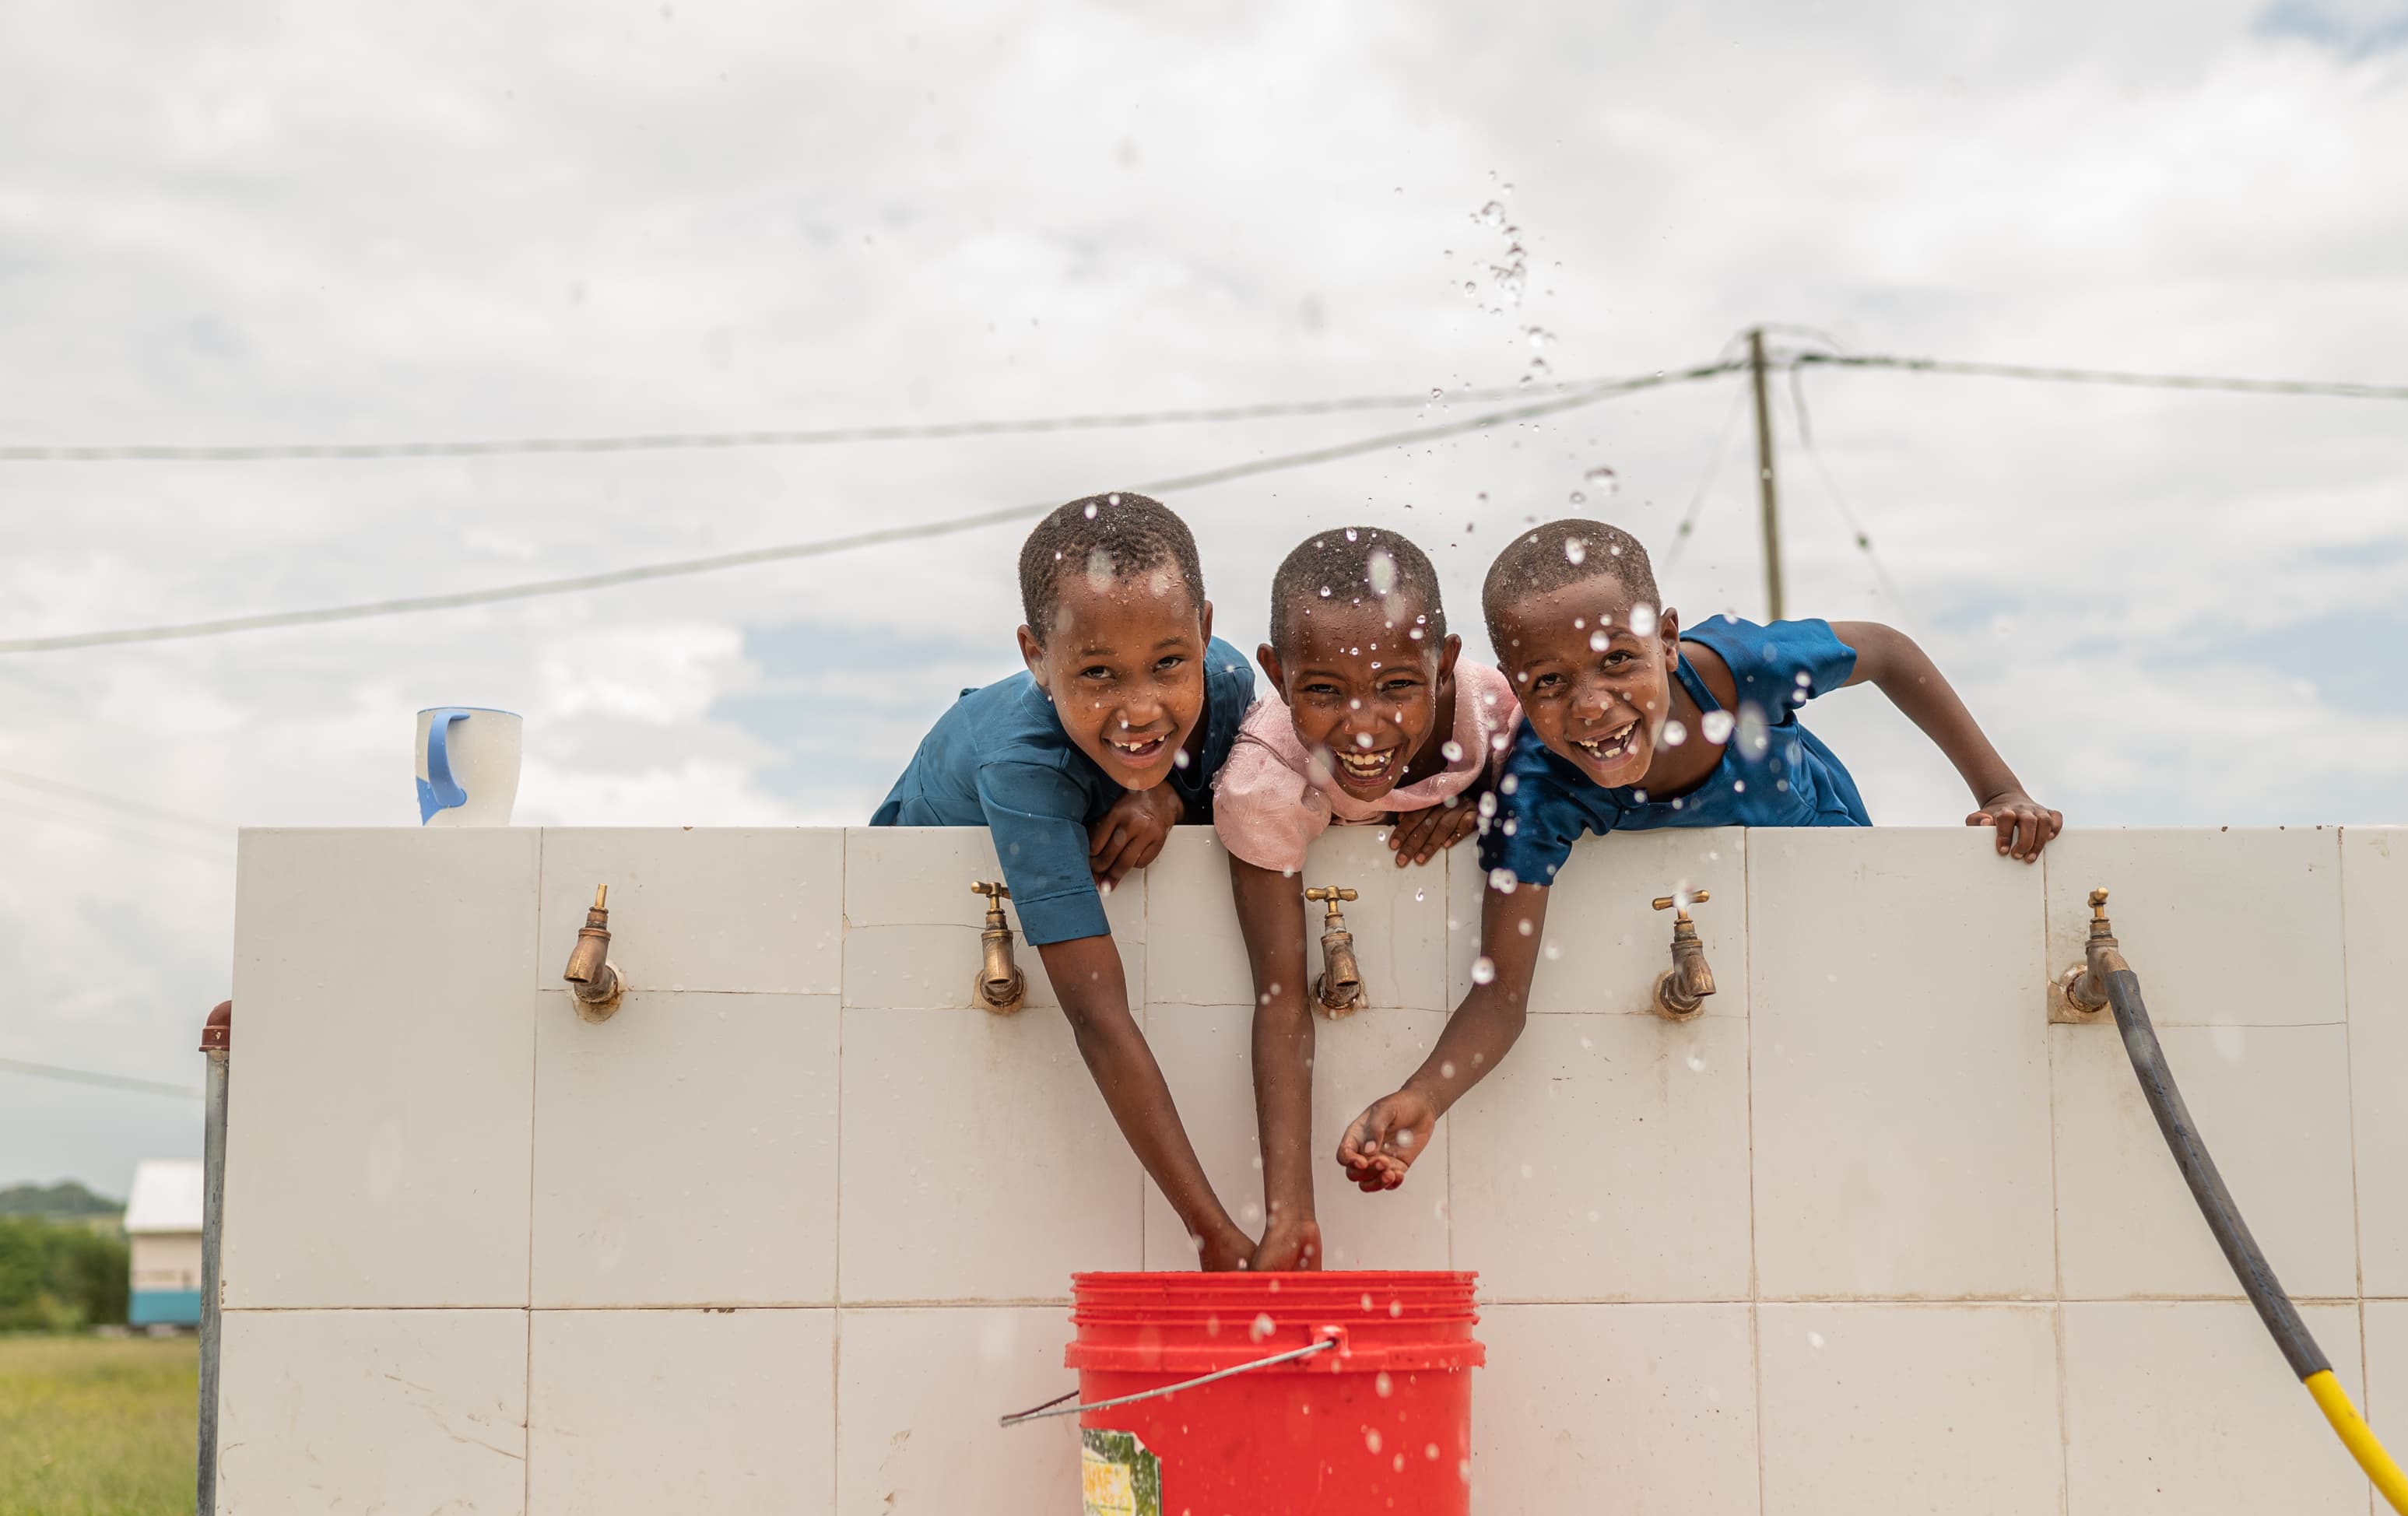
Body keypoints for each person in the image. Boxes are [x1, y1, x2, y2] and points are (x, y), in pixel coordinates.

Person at [1336, 517, 2060, 1191]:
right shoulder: (1539, 793)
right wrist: (1423, 1095)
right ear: (1514, 680)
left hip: (1826, 850)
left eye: (1619, 660)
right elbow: (1501, 994)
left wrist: (1999, 789)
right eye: (1549, 682)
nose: (1590, 706)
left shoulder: (1740, 670)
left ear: (1670, 639)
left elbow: (1890, 652)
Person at [871, 491, 1261, 1268]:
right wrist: (1210, 1229)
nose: (1142, 706)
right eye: (1096, 673)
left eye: (1167, 664)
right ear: (1034, 656)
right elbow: (1096, 1016)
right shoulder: (1025, 769)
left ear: (1204, 632)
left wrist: (1169, 791)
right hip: (914, 867)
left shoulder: (1227, 682)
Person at [1213, 528, 1518, 1269]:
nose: (1364, 724)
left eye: (1398, 686)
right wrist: (1292, 1208)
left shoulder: (1504, 718)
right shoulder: (1265, 782)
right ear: (1277, 677)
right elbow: (1281, 997)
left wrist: (1488, 800)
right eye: (1322, 691)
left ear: (1444, 666)